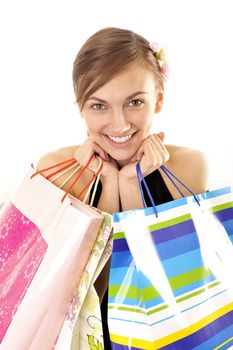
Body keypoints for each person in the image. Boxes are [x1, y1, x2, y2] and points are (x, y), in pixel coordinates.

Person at [36, 27, 209, 348]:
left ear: (158, 99)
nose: (119, 125)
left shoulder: (188, 167)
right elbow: (74, 305)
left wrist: (130, 184)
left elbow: (164, 301)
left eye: (134, 102)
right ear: (80, 107)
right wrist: (106, 184)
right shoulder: (54, 171)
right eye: (99, 106)